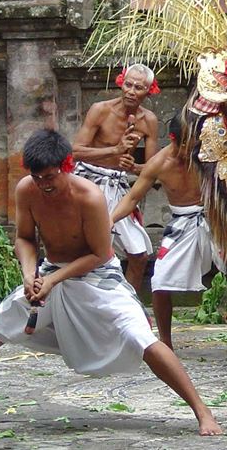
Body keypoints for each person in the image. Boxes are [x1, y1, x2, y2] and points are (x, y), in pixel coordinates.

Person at [0, 129, 221, 435]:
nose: (44, 185)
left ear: (67, 165)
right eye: (37, 178)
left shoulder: (90, 197)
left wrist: (52, 280)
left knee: (145, 341)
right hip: (50, 271)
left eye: (50, 176)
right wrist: (30, 275)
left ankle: (202, 412)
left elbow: (100, 254)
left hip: (100, 278)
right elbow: (23, 238)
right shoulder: (26, 190)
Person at [111, 115, 212, 350]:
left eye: (197, 141)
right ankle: (165, 342)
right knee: (160, 280)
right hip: (182, 225)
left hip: (216, 220)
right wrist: (110, 220)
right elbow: (133, 197)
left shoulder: (208, 155)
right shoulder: (160, 163)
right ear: (175, 139)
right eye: (189, 142)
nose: (194, 148)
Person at [73, 63, 159, 292]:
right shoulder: (100, 110)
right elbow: (75, 151)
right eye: (128, 84)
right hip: (88, 182)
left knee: (139, 255)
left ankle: (128, 306)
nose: (131, 91)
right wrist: (115, 150)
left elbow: (151, 168)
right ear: (121, 83)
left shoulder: (148, 120)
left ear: (148, 91)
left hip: (118, 186)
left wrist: (134, 166)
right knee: (90, 251)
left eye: (138, 87)